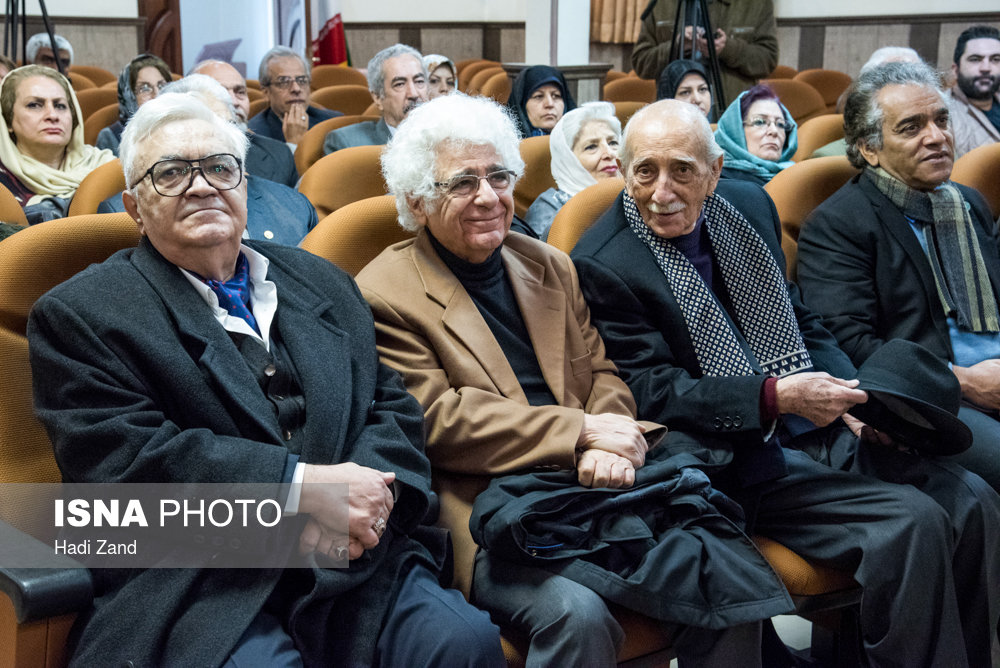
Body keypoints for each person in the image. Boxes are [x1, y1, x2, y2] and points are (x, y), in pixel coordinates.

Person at [28, 91, 504, 667]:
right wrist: (301, 495)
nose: (202, 186)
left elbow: (391, 407)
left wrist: (375, 501)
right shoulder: (82, 314)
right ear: (133, 205)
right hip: (208, 577)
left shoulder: (322, 280)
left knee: (461, 642)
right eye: (171, 173)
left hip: (355, 560)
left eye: (219, 168)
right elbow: (129, 468)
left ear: (245, 185)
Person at [356, 92, 799, 668]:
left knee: (727, 572)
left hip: (603, 485)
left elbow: (604, 371)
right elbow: (437, 420)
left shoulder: (547, 263)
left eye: (498, 176)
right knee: (578, 613)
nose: (488, 197)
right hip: (492, 506)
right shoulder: (382, 291)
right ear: (417, 201)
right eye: (462, 182)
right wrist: (582, 433)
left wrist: (613, 433)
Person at [571, 98, 1000, 667]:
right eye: (644, 171)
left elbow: (802, 321)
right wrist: (773, 398)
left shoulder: (747, 206)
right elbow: (652, 391)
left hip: (817, 417)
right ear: (624, 172)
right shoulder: (603, 260)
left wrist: (852, 398)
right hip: (735, 453)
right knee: (911, 524)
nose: (660, 190)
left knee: (974, 502)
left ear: (716, 172)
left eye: (682, 170)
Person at [798, 60, 1000, 492]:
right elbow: (848, 345)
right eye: (911, 127)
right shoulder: (838, 224)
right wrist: (964, 381)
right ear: (869, 148)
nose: (936, 136)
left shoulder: (968, 203)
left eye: (941, 119)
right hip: (932, 399)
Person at [97, 75, 317, 246]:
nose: (202, 186)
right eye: (174, 170)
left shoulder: (294, 207)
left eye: (224, 130)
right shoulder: (119, 216)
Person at [0, 65, 115, 221]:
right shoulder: (3, 185)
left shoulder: (106, 167)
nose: (52, 115)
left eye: (60, 106)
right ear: (8, 120)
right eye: (34, 105)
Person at [631, 1, 777, 106]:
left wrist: (728, 49)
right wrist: (677, 46)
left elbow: (768, 59)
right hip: (674, 118)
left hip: (732, 116)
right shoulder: (661, 4)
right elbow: (641, 63)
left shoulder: (757, 4)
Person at [521, 101, 621, 240]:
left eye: (613, 143)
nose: (609, 153)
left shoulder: (638, 195)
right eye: (591, 147)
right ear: (568, 160)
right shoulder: (550, 209)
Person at [191, 59, 298, 187]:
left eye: (240, 92)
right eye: (220, 93)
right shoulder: (174, 157)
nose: (234, 102)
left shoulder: (279, 154)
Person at [323, 44, 427, 155]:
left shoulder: (445, 134)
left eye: (419, 82)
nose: (414, 94)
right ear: (377, 98)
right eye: (400, 84)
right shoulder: (348, 144)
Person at [248, 46, 341, 148]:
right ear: (266, 92)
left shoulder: (334, 123)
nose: (296, 89)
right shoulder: (254, 136)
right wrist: (294, 144)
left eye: (301, 80)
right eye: (284, 82)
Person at [714, 84, 796, 185]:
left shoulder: (797, 175)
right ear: (735, 131)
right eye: (760, 122)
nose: (774, 131)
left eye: (780, 124)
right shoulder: (716, 181)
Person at [96, 53, 171, 155]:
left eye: (161, 86)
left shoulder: (183, 127)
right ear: (128, 95)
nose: (156, 94)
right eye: (145, 88)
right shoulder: (111, 137)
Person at [947, 25, 1000, 158]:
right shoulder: (942, 113)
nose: (986, 68)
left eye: (995, 59)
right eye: (975, 59)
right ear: (955, 69)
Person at [506, 65, 576, 138]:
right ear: (522, 105)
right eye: (538, 96)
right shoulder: (506, 145)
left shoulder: (579, 142)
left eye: (556, 95)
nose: (550, 104)